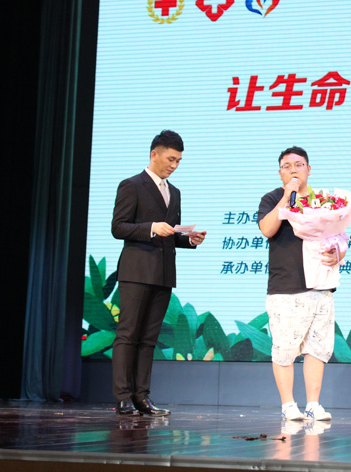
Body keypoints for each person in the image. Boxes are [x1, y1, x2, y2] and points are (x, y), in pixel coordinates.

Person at [111, 130, 206, 416]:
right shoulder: (131, 185)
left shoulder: (174, 192)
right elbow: (118, 227)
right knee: (128, 334)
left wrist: (189, 240)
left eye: (178, 161)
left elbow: (170, 235)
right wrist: (151, 227)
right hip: (136, 272)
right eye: (170, 159)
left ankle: (142, 397)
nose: (174, 165)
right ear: (154, 154)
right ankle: (123, 397)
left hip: (163, 274)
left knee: (149, 339)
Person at [258, 146, 344, 422]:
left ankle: (313, 404)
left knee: (317, 348)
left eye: (298, 165)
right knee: (285, 348)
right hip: (286, 287)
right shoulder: (273, 198)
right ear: (280, 172)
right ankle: (288, 405)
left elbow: (339, 236)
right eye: (287, 166)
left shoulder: (323, 201)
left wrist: (338, 252)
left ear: (309, 169)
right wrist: (286, 197)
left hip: (320, 285)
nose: (293, 170)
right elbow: (267, 229)